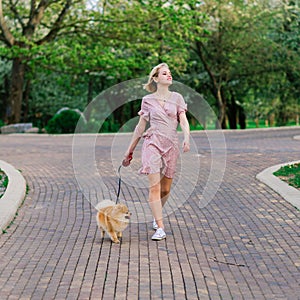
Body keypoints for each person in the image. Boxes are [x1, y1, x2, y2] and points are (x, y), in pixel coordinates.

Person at [122, 63, 190, 241]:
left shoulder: (177, 98)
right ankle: (160, 227)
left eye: (170, 73)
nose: (169, 75)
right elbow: (140, 127)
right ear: (155, 78)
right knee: (154, 186)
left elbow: (183, 120)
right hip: (152, 142)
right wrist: (129, 151)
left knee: (166, 188)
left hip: (171, 144)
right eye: (164, 73)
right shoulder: (147, 100)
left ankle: (156, 213)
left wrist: (187, 138)